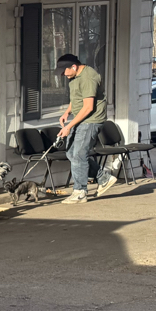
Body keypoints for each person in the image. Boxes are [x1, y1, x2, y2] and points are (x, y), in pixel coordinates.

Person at [54, 53, 119, 203]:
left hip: (91, 120)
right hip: (80, 119)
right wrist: (67, 112)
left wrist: (69, 126)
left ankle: (80, 191)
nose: (63, 75)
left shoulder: (89, 77)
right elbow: (77, 98)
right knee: (71, 153)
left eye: (64, 71)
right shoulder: (74, 77)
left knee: (79, 155)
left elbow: (88, 107)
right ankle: (103, 179)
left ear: (74, 66)